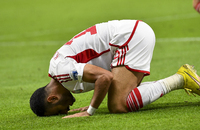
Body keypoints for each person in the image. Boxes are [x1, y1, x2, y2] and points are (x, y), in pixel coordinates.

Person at [30, 20, 200, 118]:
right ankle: (185, 79)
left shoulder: (62, 71)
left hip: (129, 38)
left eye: (60, 110)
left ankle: (181, 78)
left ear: (52, 98)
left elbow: (104, 77)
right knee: (125, 98)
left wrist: (90, 111)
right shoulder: (63, 76)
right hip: (129, 37)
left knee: (118, 104)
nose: (65, 111)